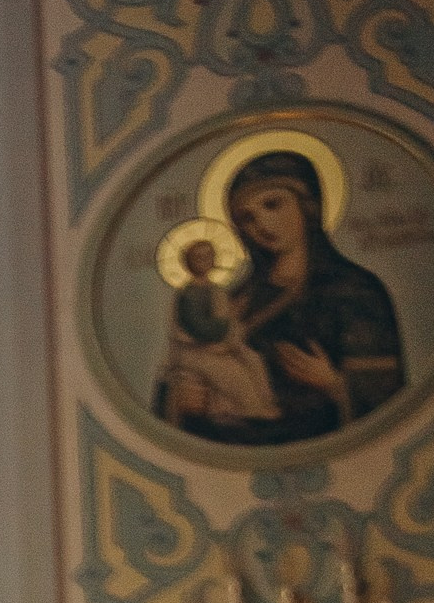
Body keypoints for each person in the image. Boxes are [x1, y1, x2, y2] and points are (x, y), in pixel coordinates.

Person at [156, 150, 404, 445]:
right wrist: (180, 397)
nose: (261, 224)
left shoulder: (354, 290)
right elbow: (184, 364)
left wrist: (335, 385)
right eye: (247, 218)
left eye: (272, 204)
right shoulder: (234, 297)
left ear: (307, 206)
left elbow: (391, 401)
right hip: (230, 453)